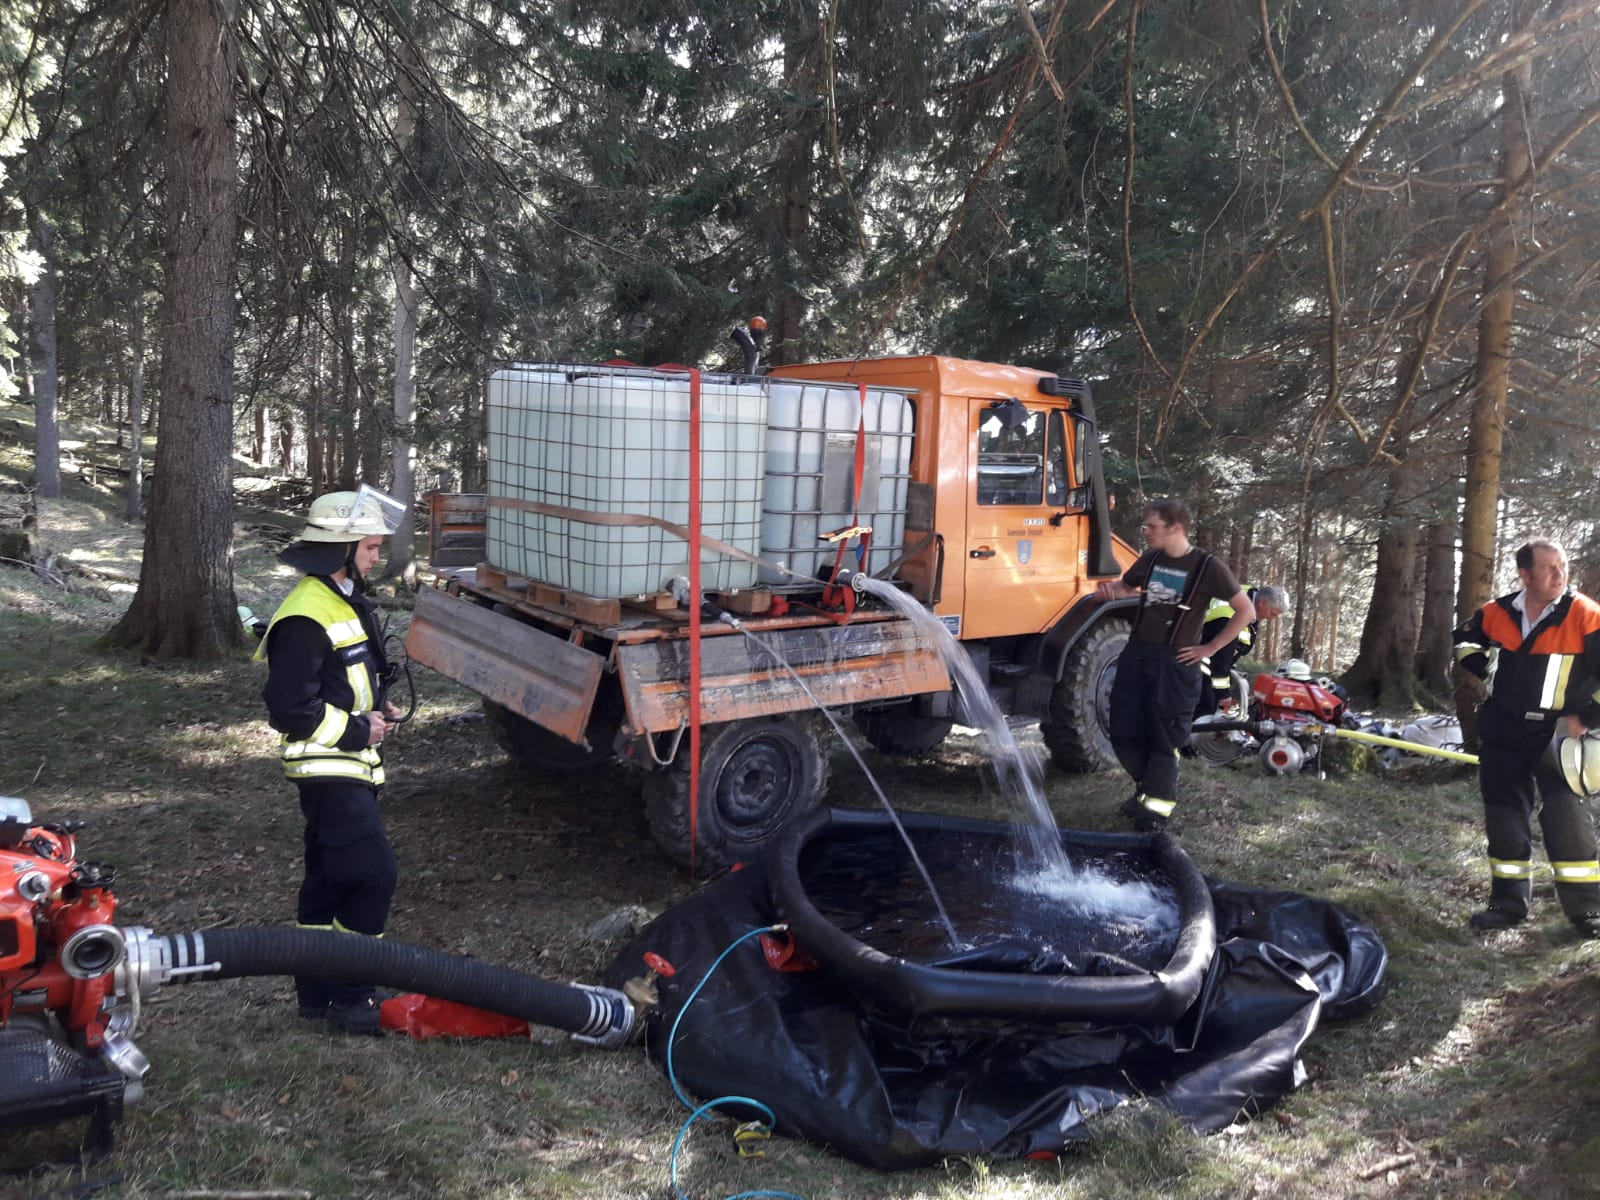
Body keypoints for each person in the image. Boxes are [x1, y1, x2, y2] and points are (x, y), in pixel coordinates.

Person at [259, 486, 407, 1033]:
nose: (375, 557)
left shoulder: (341, 598)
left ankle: (316, 994)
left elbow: (339, 678)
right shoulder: (304, 616)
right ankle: (354, 997)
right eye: (369, 548)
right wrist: (356, 728)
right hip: (327, 764)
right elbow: (288, 708)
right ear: (341, 549)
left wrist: (374, 704)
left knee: (327, 879)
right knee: (372, 874)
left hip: (347, 763)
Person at [1453, 537, 1600, 935]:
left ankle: (1587, 911)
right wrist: (1481, 668)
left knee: (1566, 817)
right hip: (1504, 728)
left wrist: (1587, 716)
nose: (1559, 574)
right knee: (1504, 816)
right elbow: (1464, 639)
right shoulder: (1496, 612)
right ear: (1525, 574)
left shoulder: (1586, 615)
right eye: (1549, 568)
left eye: (1563, 566)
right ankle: (1507, 905)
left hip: (1559, 734)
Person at [1093, 499, 1254, 830]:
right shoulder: (1151, 558)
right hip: (1137, 654)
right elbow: (1127, 586)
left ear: (1176, 528)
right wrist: (1110, 591)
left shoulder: (1208, 567)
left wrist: (1209, 647)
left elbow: (1246, 611)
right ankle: (1147, 790)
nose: (1146, 531)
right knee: (1122, 728)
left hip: (1176, 664)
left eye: (1152, 526)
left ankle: (1155, 811)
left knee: (1164, 737)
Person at [1195, 584, 1287, 716]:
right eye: (1271, 613)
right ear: (1262, 603)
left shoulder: (1246, 596)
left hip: (1205, 668)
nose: (1271, 619)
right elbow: (1220, 660)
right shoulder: (1232, 616)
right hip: (1199, 670)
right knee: (1205, 712)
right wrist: (1223, 695)